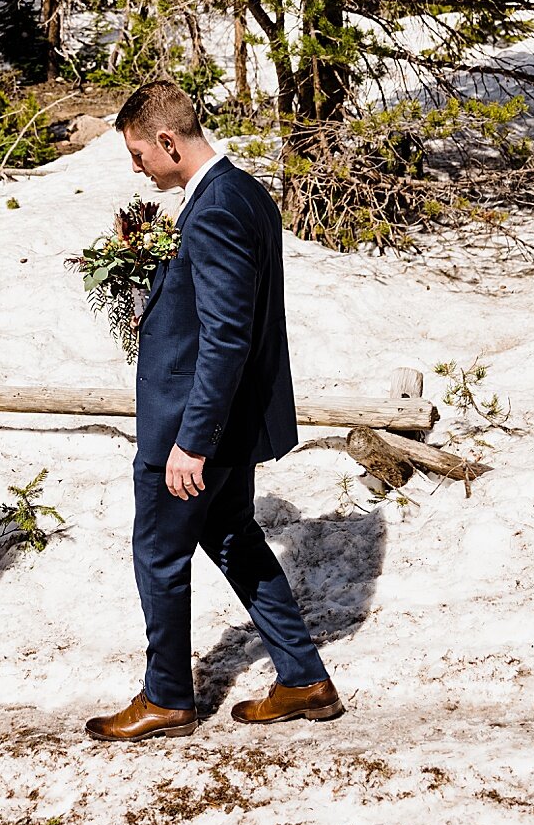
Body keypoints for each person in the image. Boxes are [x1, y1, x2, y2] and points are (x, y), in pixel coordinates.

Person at [86, 80, 342, 741]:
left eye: (140, 153)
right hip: (229, 417)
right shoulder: (242, 191)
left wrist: (191, 440)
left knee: (157, 551)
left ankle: (167, 694)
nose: (136, 167)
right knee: (231, 534)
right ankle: (304, 677)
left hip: (193, 422)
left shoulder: (219, 207)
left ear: (169, 142)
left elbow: (228, 335)